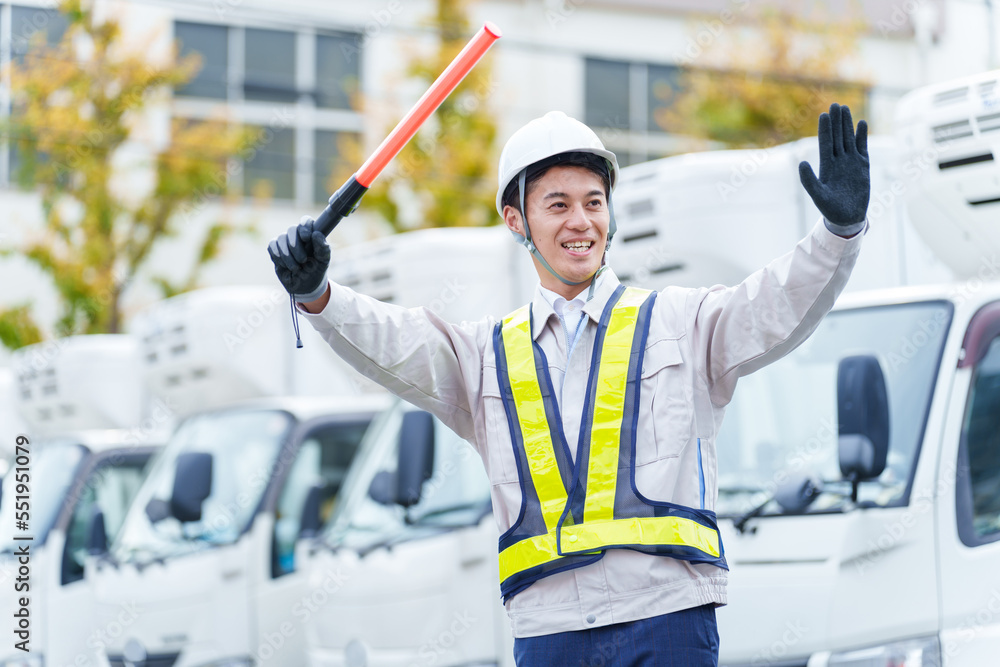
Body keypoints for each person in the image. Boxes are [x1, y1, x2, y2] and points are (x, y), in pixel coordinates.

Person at [268, 103, 869, 666]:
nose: (581, 222)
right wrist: (318, 294)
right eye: (557, 205)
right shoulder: (484, 355)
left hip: (669, 619)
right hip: (548, 630)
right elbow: (393, 341)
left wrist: (837, 234)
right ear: (516, 220)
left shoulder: (681, 321)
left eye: (594, 202)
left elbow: (771, 307)